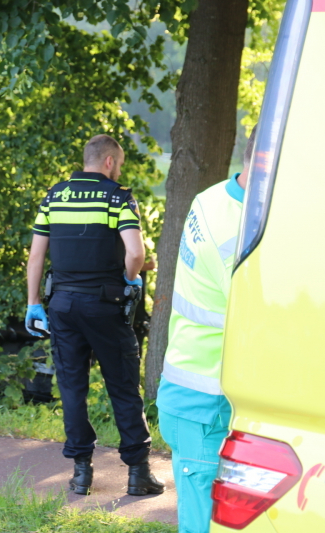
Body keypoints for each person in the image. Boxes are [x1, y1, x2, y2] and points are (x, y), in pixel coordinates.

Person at [25, 134, 164, 496]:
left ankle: (82, 472)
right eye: (117, 163)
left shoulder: (55, 196)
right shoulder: (118, 196)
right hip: (105, 305)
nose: (118, 170)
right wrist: (129, 279)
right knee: (123, 386)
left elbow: (36, 257)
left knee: (72, 387)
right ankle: (138, 474)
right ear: (108, 162)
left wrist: (32, 303)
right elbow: (135, 252)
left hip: (62, 307)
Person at [156, 129, 257, 533]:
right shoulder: (236, 235)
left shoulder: (212, 198)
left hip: (195, 392)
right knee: (204, 526)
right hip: (204, 399)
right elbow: (267, 315)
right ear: (267, 162)